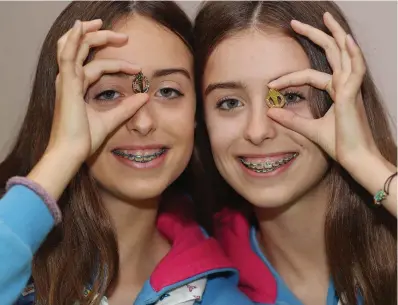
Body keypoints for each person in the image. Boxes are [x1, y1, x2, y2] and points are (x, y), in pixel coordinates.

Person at [0, 2, 253, 305]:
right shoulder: (16, 240)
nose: (143, 122)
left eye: (168, 91)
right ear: (62, 109)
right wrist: (62, 154)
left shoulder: (221, 295)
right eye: (108, 93)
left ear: (197, 111)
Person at [193, 1, 397, 305]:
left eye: (288, 96)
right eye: (230, 103)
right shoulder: (195, 275)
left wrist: (364, 161)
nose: (258, 131)